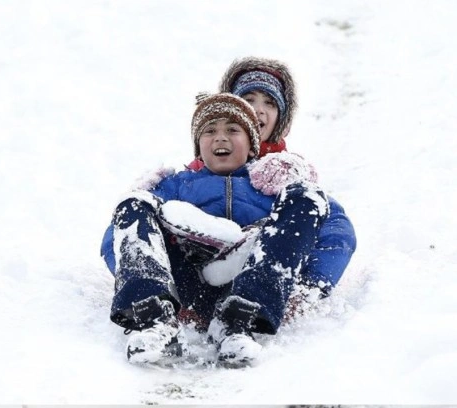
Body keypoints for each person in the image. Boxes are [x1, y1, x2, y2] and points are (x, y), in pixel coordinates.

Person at [100, 92, 349, 368]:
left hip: (249, 282)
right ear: (198, 147)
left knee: (308, 196)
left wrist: (309, 286)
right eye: (209, 131)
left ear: (253, 146)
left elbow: (336, 231)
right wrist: (157, 278)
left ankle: (238, 321)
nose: (220, 137)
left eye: (233, 130)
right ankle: (156, 319)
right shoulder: (176, 185)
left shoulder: (272, 186)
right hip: (186, 286)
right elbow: (115, 239)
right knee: (134, 202)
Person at [185, 56, 356, 307]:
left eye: (270, 103)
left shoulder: (288, 177)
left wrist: (311, 285)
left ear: (281, 118)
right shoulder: (196, 174)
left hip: (264, 284)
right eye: (248, 99)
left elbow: (336, 230)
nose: (258, 109)